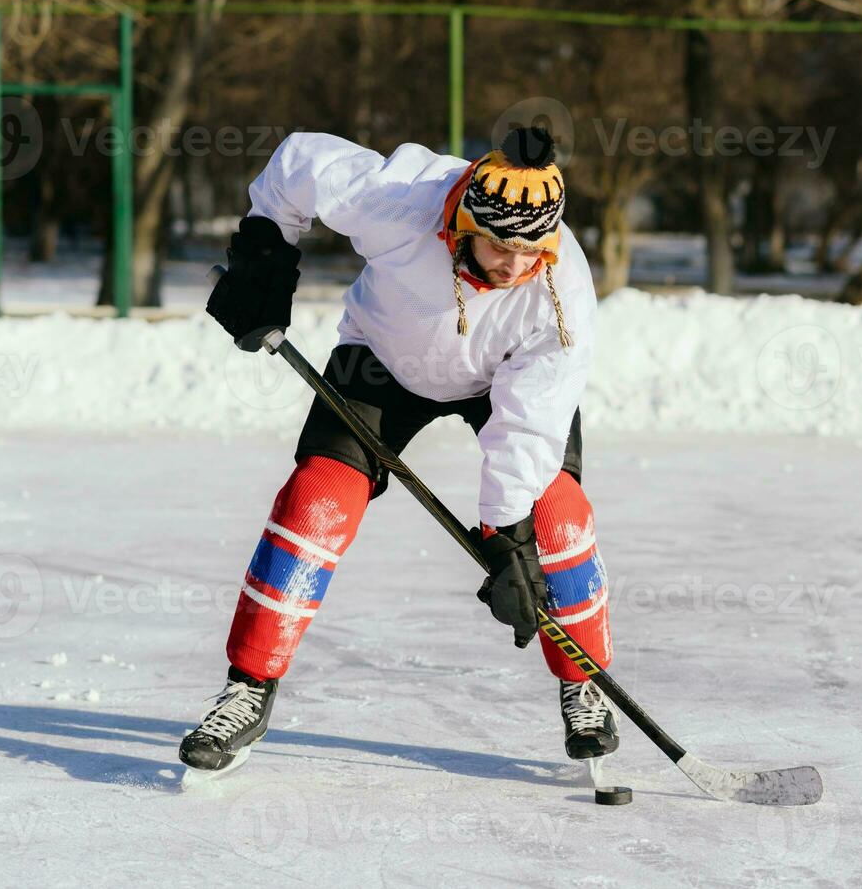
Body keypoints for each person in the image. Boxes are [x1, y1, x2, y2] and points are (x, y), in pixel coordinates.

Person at [179, 126, 617, 774]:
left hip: (499, 379)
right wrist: (264, 253)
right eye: (502, 246)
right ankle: (248, 687)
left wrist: (507, 537)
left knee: (556, 514)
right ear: (462, 222)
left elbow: (528, 425)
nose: (518, 266)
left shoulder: (560, 294)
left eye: (535, 249)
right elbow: (299, 162)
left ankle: (583, 683)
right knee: (316, 502)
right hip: (383, 362)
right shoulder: (399, 197)